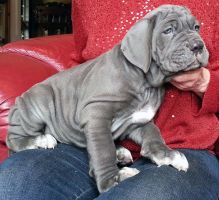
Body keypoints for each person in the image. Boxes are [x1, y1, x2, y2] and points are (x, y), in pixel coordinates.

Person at [0, 0, 219, 199]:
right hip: (85, 143)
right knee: (13, 183)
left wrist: (204, 83)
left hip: (185, 145)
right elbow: (82, 65)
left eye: (195, 28)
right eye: (170, 30)